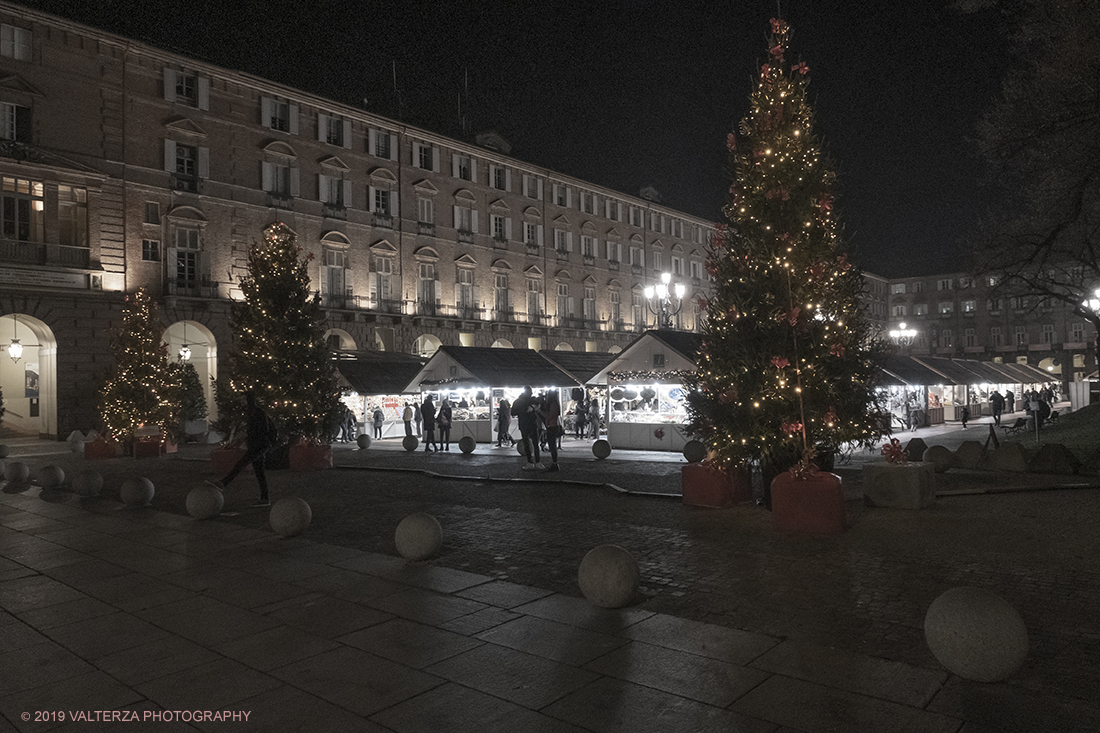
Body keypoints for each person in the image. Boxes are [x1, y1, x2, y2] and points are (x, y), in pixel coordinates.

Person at [208, 391, 274, 507]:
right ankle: (265, 498)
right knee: (259, 472)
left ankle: (223, 483)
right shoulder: (253, 413)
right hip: (258, 445)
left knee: (241, 464)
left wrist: (249, 439)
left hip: (259, 445)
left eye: (244, 400)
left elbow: (262, 430)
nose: (242, 403)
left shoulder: (257, 413)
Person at [511, 386, 543, 469]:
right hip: (532, 423)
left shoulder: (518, 401)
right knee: (535, 443)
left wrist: (523, 411)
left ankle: (530, 462)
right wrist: (531, 408)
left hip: (524, 423)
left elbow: (513, 412)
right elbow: (539, 404)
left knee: (527, 443)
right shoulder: (532, 400)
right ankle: (537, 461)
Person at [540, 390, 562, 471]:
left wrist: (540, 411)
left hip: (552, 426)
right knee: (552, 446)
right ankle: (554, 463)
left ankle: (555, 463)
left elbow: (549, 416)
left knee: (552, 446)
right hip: (552, 426)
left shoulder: (553, 405)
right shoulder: (555, 404)